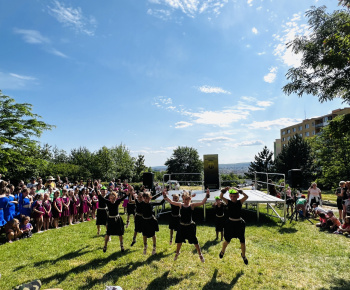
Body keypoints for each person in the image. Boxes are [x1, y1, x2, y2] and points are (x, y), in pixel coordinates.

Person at [163, 188, 210, 263]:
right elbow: (171, 201)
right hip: (181, 226)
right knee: (179, 241)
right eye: (184, 199)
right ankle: (177, 253)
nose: (185, 201)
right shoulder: (180, 205)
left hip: (189, 226)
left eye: (186, 200)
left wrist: (207, 195)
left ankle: (200, 254)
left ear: (190, 199)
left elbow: (202, 203)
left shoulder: (192, 205)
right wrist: (165, 195)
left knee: (195, 241)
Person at [219, 187, 249, 265]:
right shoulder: (229, 202)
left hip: (239, 224)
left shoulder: (240, 202)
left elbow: (246, 197)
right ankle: (222, 251)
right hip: (230, 224)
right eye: (231, 196)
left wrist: (240, 191)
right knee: (226, 241)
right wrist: (224, 190)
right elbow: (221, 197)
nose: (233, 198)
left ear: (238, 196)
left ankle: (243, 256)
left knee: (242, 242)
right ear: (229, 196)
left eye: (235, 196)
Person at [140, 191, 165, 255]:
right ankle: (145, 246)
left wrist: (164, 196)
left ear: (150, 198)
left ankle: (154, 248)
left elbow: (161, 203)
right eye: (145, 198)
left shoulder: (151, 204)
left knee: (153, 234)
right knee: (144, 234)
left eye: (147, 198)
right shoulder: (141, 204)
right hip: (144, 221)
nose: (146, 200)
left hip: (151, 221)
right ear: (143, 198)